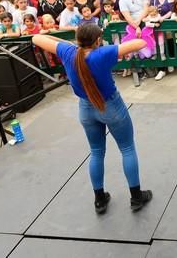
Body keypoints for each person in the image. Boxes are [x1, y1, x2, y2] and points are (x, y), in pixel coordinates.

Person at [32, 24, 153, 214]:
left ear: (78, 39)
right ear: (97, 40)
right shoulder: (102, 54)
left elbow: (36, 38)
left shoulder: (69, 52)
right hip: (110, 106)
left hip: (86, 109)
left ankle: (99, 200)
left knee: (96, 152)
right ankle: (136, 197)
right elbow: (140, 42)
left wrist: (69, 43)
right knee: (127, 148)